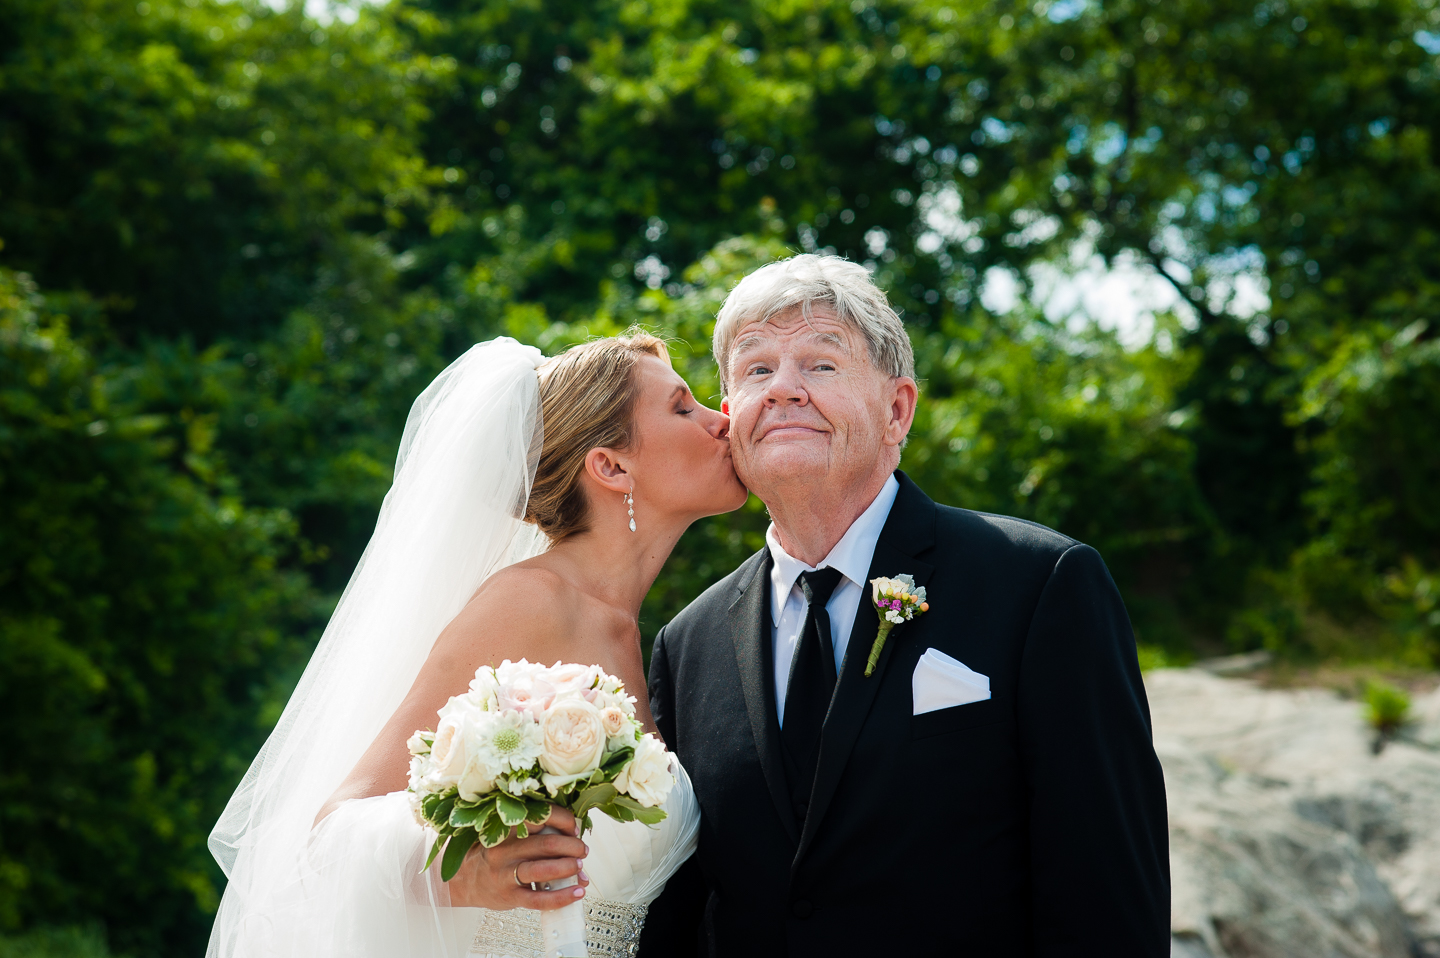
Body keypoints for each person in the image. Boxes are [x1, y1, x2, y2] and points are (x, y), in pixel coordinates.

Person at [642, 254, 1172, 956]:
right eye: (757, 369)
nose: (785, 390)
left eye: (821, 365)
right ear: (731, 413)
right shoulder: (687, 645)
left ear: (897, 410)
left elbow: (1109, 899)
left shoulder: (1041, 586)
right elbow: (680, 920)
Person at [207, 333, 747, 958]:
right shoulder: (530, 602)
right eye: (685, 407)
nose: (723, 419)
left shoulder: (652, 635)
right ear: (611, 466)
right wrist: (457, 868)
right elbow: (333, 828)